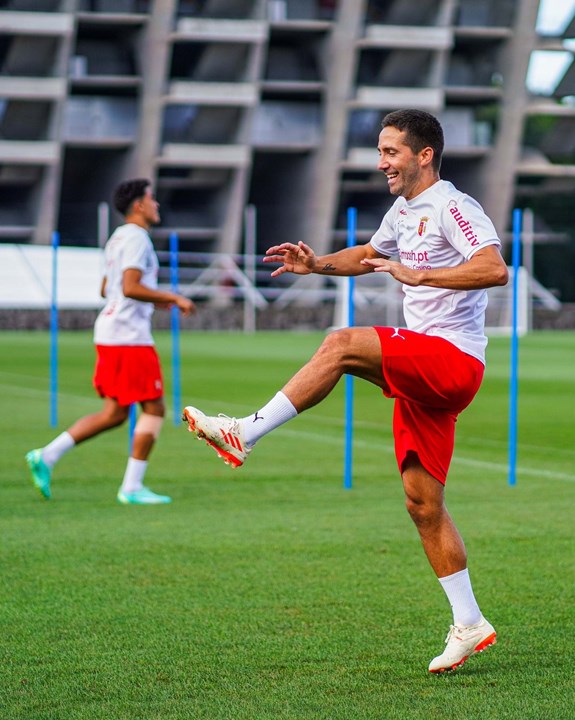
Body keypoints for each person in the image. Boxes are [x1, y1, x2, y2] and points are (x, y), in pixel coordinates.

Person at [181, 109, 509, 672]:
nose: (381, 162)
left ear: (423, 154)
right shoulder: (403, 210)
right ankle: (470, 622)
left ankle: (245, 432)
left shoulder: (455, 206)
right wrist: (317, 265)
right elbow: (368, 256)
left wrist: (424, 275)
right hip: (423, 373)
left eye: (390, 151)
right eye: (380, 151)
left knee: (342, 344)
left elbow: (494, 268)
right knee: (421, 503)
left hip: (453, 358)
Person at [26, 178, 195, 505]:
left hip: (112, 331)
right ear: (138, 205)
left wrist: (153, 299)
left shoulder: (117, 238)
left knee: (116, 413)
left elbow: (108, 288)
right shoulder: (138, 239)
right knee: (155, 407)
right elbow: (129, 287)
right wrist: (173, 297)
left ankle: (46, 456)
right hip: (128, 337)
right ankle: (131, 487)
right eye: (152, 199)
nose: (156, 205)